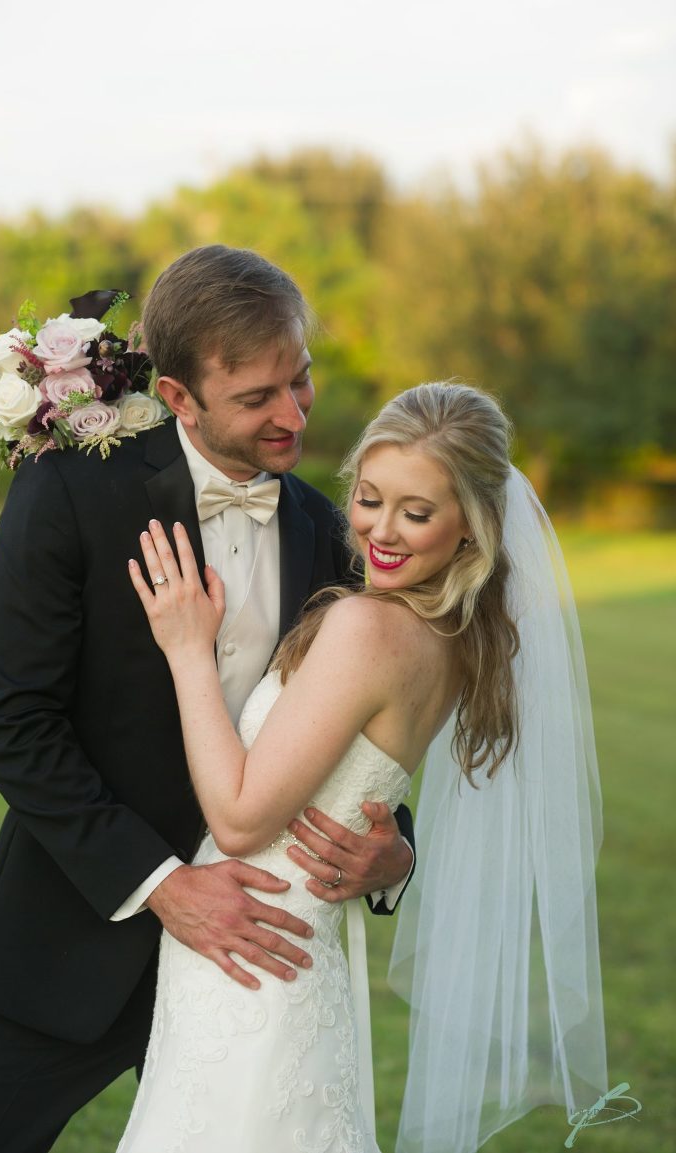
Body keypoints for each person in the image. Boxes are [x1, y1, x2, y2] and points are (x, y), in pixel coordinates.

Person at [0, 246, 414, 1153]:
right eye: (257, 397)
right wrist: (163, 885)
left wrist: (396, 851)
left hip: (255, 962)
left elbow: (359, 725)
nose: (293, 414)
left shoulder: (328, 532)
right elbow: (14, 725)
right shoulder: (69, 492)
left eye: (300, 381)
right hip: (75, 933)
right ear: (179, 395)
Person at [118, 381, 608, 1153]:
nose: (382, 530)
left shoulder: (365, 628)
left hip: (251, 956)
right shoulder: (451, 640)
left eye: (417, 513)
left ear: (472, 532)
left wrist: (187, 650)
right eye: (371, 498)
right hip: (293, 961)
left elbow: (242, 820)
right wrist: (398, 852)